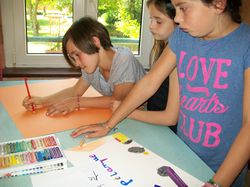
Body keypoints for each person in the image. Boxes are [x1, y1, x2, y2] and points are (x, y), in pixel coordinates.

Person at [70, 0, 250, 186]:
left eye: (183, 8)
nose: (177, 18)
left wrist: (218, 182)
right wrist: (109, 124)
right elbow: (149, 82)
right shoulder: (182, 37)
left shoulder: (246, 43)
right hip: (183, 155)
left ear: (218, 4)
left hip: (224, 168)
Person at [22, 16, 145, 116]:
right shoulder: (92, 63)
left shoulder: (124, 59)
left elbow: (118, 101)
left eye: (77, 55)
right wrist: (43, 101)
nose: (77, 63)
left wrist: (77, 103)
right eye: (73, 58)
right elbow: (75, 91)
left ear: (95, 42)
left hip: (143, 114)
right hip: (117, 115)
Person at [110, 0, 179, 132]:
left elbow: (170, 118)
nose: (151, 26)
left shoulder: (176, 59)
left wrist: (129, 112)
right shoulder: (164, 50)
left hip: (168, 132)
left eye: (158, 21)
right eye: (151, 19)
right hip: (154, 122)